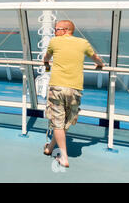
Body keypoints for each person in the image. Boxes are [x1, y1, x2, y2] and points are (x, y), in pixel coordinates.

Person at [43, 20, 104, 167]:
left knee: (58, 123)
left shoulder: (55, 42)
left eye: (56, 29)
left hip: (57, 87)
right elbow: (96, 57)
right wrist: (100, 65)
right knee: (64, 123)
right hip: (75, 89)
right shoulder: (83, 43)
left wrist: (46, 63)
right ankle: (50, 147)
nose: (54, 32)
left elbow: (46, 58)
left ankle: (63, 157)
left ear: (65, 30)